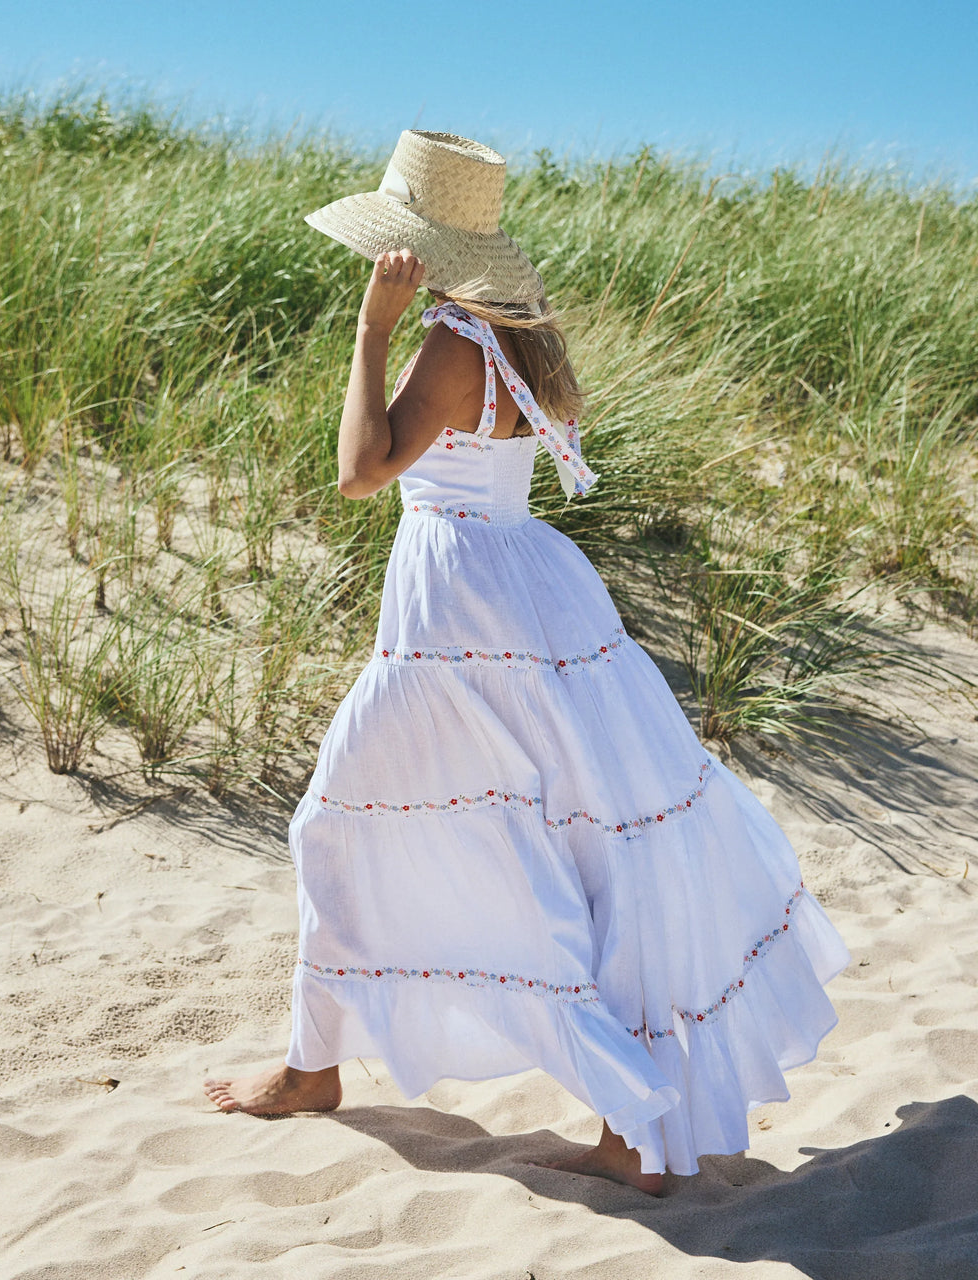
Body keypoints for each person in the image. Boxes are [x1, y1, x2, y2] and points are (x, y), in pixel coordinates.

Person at [204, 131, 850, 1193]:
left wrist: (372, 330)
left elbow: (362, 471)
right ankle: (608, 1126)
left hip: (458, 606)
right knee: (568, 835)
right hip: (528, 588)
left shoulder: (452, 342)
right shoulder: (515, 333)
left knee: (343, 821)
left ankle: (318, 1069)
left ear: (418, 250)